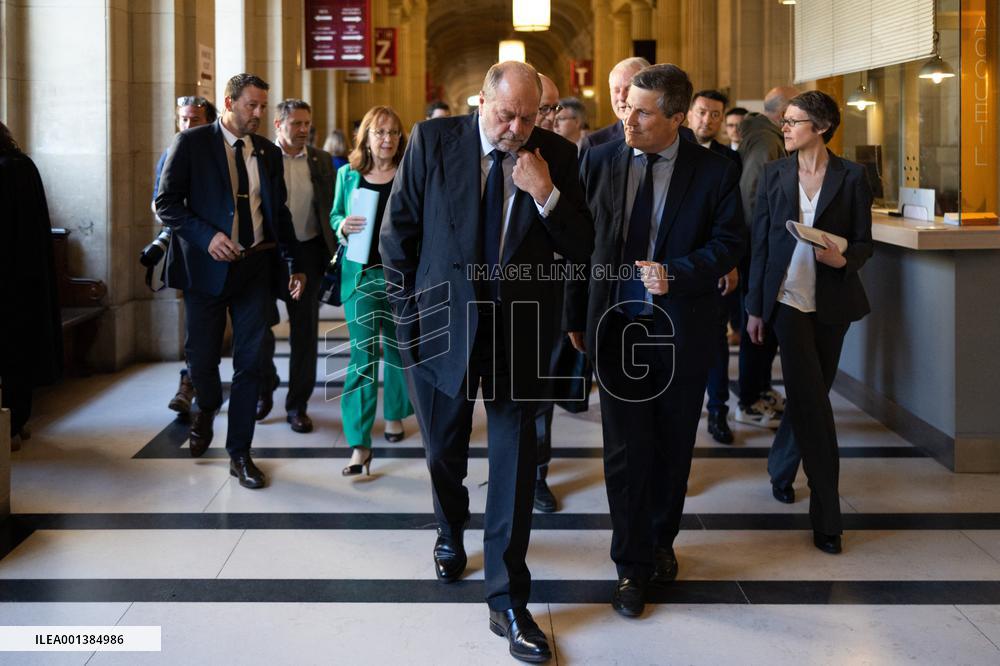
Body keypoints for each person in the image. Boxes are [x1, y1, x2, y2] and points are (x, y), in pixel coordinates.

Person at [381, 61, 593, 662]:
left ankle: (506, 598)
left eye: (531, 115)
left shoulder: (557, 155)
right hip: (442, 324)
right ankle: (450, 527)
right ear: (480, 101)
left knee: (516, 461)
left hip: (521, 331)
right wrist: (407, 318)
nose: (518, 127)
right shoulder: (433, 140)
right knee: (442, 448)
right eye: (507, 115)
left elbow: (582, 246)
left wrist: (544, 194)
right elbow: (399, 234)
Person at [566, 63, 744, 618]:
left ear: (674, 117)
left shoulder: (714, 172)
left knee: (671, 448)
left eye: (642, 111)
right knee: (623, 451)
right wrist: (576, 315)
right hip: (616, 326)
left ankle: (661, 539)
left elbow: (730, 242)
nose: (628, 119)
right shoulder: (598, 158)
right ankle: (630, 565)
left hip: (680, 329)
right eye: (626, 107)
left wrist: (679, 271)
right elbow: (578, 243)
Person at [156, 73, 305, 489]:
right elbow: (165, 203)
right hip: (206, 270)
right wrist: (208, 237)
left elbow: (279, 214)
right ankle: (205, 405)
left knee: (251, 363)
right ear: (228, 102)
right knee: (202, 361)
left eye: (262, 107)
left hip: (255, 268)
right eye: (250, 105)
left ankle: (239, 452)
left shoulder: (268, 154)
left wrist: (294, 262)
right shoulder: (191, 143)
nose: (258, 114)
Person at [746, 90, 873, 554]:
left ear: (820, 127)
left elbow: (864, 242)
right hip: (786, 302)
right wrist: (755, 308)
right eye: (785, 120)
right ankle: (828, 517)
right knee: (816, 407)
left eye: (794, 121)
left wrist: (845, 259)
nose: (785, 126)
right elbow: (759, 244)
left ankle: (780, 467)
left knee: (808, 397)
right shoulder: (774, 172)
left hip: (833, 304)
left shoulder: (853, 176)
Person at [329, 106, 414, 475]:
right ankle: (359, 444)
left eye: (393, 132)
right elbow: (333, 216)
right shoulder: (348, 175)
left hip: (399, 278)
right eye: (379, 132)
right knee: (363, 358)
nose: (387, 139)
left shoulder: (409, 175)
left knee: (398, 352)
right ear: (366, 136)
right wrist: (342, 225)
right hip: (361, 277)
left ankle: (395, 414)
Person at [256, 99, 337, 433]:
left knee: (304, 332)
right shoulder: (260, 158)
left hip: (307, 253)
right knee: (257, 328)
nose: (304, 130)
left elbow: (332, 205)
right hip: (266, 254)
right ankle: (265, 387)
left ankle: (297, 405)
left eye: (307, 124)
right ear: (278, 125)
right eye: (296, 124)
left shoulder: (320, 161)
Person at [735, 85, 799, 431]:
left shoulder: (766, 137)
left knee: (763, 326)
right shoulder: (767, 142)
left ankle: (759, 389)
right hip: (757, 249)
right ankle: (749, 400)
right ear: (783, 112)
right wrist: (755, 246)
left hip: (760, 248)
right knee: (756, 324)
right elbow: (754, 199)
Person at [150, 95, 218, 417]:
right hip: (192, 253)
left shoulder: (225, 153)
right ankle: (191, 386)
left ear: (209, 120)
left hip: (230, 252)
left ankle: (263, 380)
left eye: (195, 118)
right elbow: (158, 204)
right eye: (183, 119)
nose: (188, 125)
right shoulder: (172, 154)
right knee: (199, 332)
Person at [0, 122, 63, 452]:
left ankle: (9, 426)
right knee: (19, 352)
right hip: (28, 276)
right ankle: (17, 421)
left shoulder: (7, 170)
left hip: (7, 277)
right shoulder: (23, 165)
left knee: (9, 353)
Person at [687, 89, 742, 444]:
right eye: (703, 112)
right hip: (677, 266)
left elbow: (735, 220)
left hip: (715, 265)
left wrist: (730, 263)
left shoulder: (728, 161)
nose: (708, 120)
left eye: (715, 115)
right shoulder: (672, 152)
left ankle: (718, 412)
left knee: (717, 343)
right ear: (689, 113)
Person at [580, 57, 650, 150]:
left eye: (628, 88)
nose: (621, 97)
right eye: (616, 90)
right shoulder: (595, 143)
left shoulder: (670, 135)